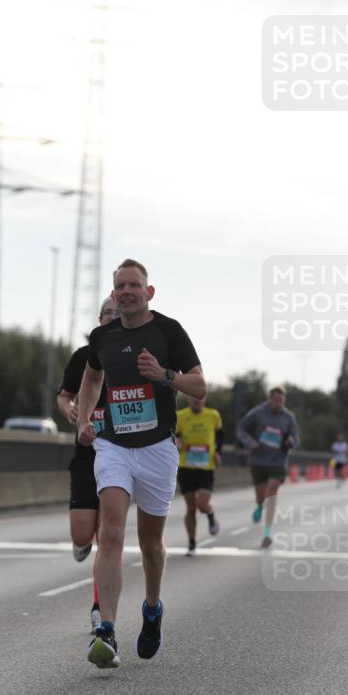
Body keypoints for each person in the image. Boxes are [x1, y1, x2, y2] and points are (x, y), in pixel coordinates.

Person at [77, 259, 206, 669]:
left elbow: (200, 384)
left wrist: (165, 374)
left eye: (134, 284)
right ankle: (107, 631)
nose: (127, 291)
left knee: (151, 545)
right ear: (114, 294)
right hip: (113, 445)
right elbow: (92, 379)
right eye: (120, 286)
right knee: (111, 531)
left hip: (157, 449)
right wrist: (84, 419)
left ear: (149, 293)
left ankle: (152, 608)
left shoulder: (168, 331)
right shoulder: (102, 337)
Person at [56, 297, 119, 633]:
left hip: (120, 455)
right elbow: (64, 394)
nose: (113, 318)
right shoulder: (83, 357)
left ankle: (99, 610)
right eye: (108, 314)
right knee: (84, 534)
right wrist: (68, 408)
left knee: (106, 536)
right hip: (86, 453)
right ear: (99, 319)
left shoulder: (132, 357)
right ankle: (82, 542)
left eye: (119, 314)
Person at [237, 385, 300, 548]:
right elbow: (241, 429)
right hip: (258, 461)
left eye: (281, 401)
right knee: (261, 497)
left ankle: (267, 533)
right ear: (270, 399)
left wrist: (290, 442)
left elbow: (296, 438)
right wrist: (250, 442)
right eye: (275, 400)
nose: (278, 403)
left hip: (278, 462)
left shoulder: (288, 417)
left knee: (272, 491)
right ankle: (259, 506)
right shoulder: (258, 413)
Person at [175, 395, 223, 555]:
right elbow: (177, 436)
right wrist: (178, 441)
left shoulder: (213, 415)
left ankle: (210, 514)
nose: (196, 400)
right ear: (188, 399)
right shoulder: (180, 416)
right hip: (186, 466)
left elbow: (220, 435)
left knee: (202, 505)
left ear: (204, 399)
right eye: (193, 398)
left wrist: (218, 452)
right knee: (190, 508)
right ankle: (192, 543)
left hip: (205, 466)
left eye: (200, 397)